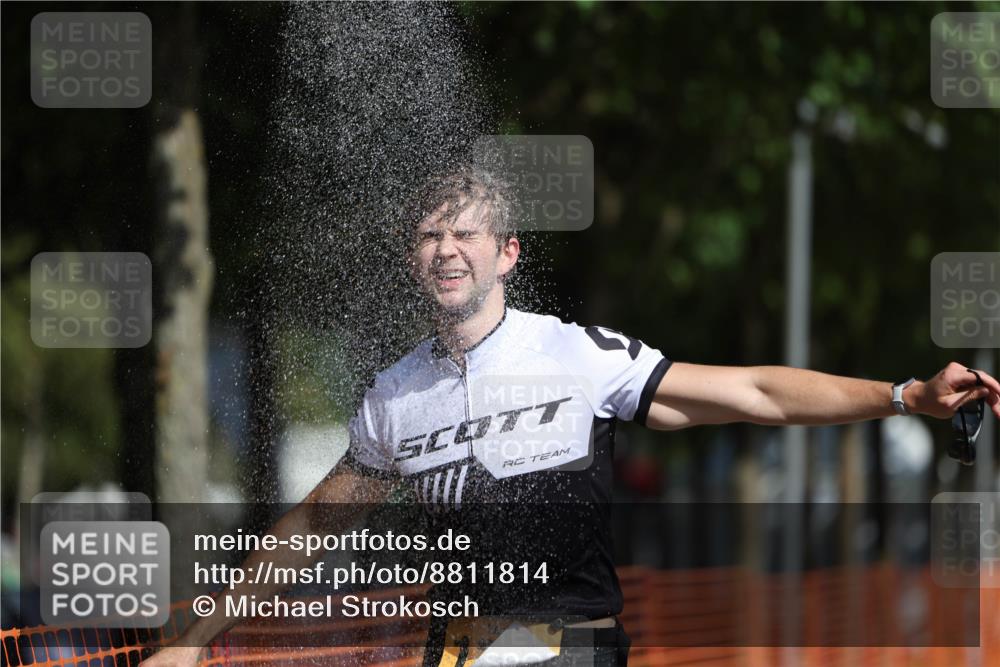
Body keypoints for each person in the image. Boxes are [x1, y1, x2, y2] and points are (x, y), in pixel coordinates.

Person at [143, 167, 1000, 667]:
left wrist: (903, 396)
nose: (447, 247)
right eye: (431, 235)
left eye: (467, 233)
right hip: (457, 649)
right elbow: (309, 527)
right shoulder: (393, 396)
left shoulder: (576, 353)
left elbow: (754, 391)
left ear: (507, 253)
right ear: (414, 259)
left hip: (575, 649)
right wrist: (197, 636)